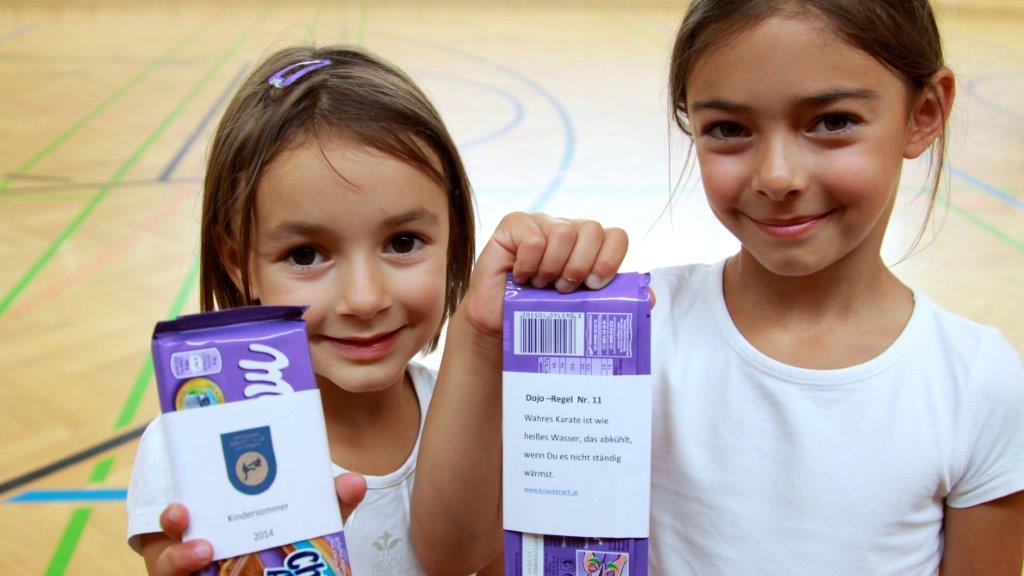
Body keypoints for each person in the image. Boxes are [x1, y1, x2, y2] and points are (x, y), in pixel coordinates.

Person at [411, 1, 1024, 574]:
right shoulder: (625, 337)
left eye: (833, 122)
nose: (777, 176)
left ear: (924, 114)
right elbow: (454, 555)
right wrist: (481, 337)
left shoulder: (977, 385)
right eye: (729, 129)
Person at [125, 44, 627, 576]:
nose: (365, 299)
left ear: (454, 237)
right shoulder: (194, 446)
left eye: (403, 242)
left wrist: (487, 334)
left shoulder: (477, 419)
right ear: (237, 264)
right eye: (305, 255)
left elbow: (475, 561)